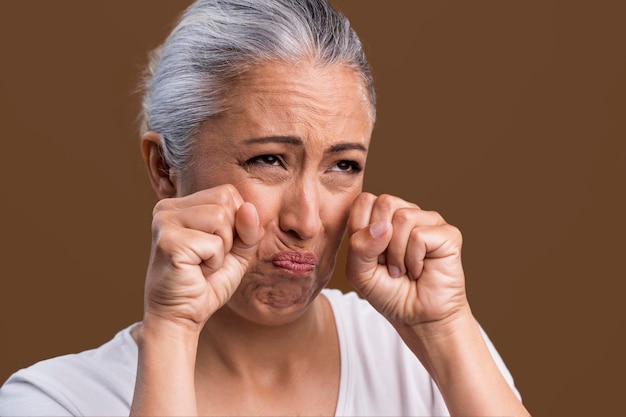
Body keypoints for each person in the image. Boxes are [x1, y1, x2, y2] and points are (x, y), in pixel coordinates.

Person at [0, 0, 530, 416]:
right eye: (270, 160)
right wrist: (172, 332)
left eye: (342, 165)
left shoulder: (424, 358)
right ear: (164, 167)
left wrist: (445, 330)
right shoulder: (54, 401)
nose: (306, 221)